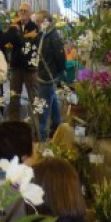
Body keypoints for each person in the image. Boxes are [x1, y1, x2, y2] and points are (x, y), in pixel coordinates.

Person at [33, 10, 66, 142]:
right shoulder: (44, 34)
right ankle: (56, 128)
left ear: (46, 21)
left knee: (43, 105)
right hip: (45, 74)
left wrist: (58, 72)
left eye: (39, 21)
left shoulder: (53, 37)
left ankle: (42, 134)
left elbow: (60, 57)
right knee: (53, 103)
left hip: (47, 76)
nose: (37, 24)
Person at [6, 2, 39, 122]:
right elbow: (10, 41)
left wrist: (20, 36)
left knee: (33, 96)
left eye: (25, 10)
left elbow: (29, 44)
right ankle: (14, 122)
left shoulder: (34, 27)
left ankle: (34, 123)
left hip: (30, 67)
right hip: (16, 66)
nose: (23, 13)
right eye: (21, 10)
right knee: (14, 95)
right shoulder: (13, 26)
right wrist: (25, 36)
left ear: (30, 13)